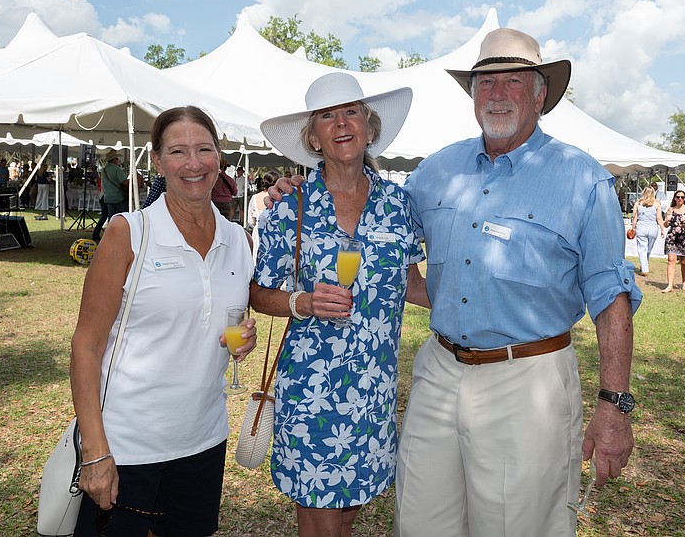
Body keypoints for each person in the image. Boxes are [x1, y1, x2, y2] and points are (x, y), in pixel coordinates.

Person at [268, 28, 641, 537]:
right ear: (472, 94)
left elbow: (611, 296)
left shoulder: (582, 179)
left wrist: (614, 404)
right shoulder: (437, 172)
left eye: (514, 81)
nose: (498, 93)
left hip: (527, 378)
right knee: (422, 519)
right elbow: (381, 234)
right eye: (486, 82)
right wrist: (294, 189)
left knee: (517, 526)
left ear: (540, 95)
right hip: (440, 373)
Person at [250, 72, 428, 537]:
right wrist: (302, 301)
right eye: (328, 116)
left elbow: (412, 285)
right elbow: (257, 293)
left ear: (369, 127)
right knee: (321, 514)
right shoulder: (290, 207)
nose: (342, 123)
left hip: (373, 388)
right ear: (313, 137)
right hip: (312, 388)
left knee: (348, 511)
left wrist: (483, 307)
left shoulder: (398, 205)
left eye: (351, 112)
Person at [70, 106, 257, 536]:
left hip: (204, 438)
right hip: (127, 445)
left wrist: (241, 338)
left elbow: (218, 317)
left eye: (204, 149)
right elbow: (86, 345)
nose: (193, 163)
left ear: (219, 156)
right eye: (177, 151)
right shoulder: (129, 232)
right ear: (157, 161)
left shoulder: (239, 240)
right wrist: (95, 451)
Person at [661, 191, 685, 292]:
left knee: (684, 262)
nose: (680, 199)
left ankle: (684, 282)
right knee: (671, 260)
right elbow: (665, 225)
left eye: (682, 197)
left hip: (684, 237)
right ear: (675, 198)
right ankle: (670, 285)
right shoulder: (670, 209)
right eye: (678, 197)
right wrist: (666, 222)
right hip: (672, 237)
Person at [91, 150, 127, 242]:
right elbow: (124, 181)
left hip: (107, 197)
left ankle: (110, 236)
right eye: (117, 158)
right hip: (118, 197)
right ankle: (122, 236)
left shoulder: (104, 169)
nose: (118, 160)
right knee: (124, 216)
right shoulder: (116, 169)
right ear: (114, 160)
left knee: (110, 218)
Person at [246, 169, 281, 261]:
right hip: (275, 231)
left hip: (257, 231)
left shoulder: (255, 197)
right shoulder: (279, 199)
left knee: (257, 258)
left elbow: (250, 221)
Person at [630, 186, 665, 276]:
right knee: (648, 249)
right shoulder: (657, 204)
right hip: (653, 227)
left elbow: (635, 217)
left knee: (642, 248)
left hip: (641, 226)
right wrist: (662, 229)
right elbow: (659, 218)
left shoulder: (638, 203)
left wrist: (633, 228)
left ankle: (644, 268)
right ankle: (644, 266)